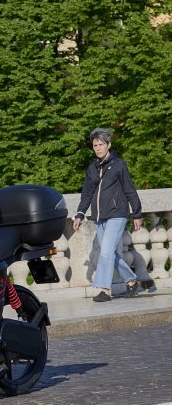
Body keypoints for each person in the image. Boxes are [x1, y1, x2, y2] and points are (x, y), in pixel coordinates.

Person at [72, 127, 142, 302]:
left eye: (101, 144)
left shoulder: (119, 165)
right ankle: (132, 281)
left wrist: (137, 214)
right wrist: (80, 214)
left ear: (109, 145)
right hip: (99, 217)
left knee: (105, 252)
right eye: (95, 145)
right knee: (111, 253)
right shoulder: (92, 168)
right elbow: (87, 194)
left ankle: (104, 289)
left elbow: (130, 190)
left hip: (117, 215)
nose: (97, 148)